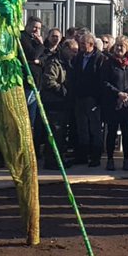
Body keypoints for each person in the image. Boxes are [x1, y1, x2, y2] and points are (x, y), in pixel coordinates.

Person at [99, 37, 128, 171]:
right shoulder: (108, 63)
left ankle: (126, 159)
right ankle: (110, 159)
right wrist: (117, 93)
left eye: (122, 46)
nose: (119, 48)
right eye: (117, 46)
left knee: (127, 132)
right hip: (113, 103)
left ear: (127, 48)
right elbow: (104, 82)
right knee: (112, 131)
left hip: (127, 104)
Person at [39, 38, 77, 168]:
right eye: (73, 51)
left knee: (60, 134)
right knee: (55, 133)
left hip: (63, 104)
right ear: (65, 49)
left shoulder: (67, 63)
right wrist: (63, 91)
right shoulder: (55, 62)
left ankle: (58, 158)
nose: (74, 54)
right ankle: (52, 161)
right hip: (54, 102)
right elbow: (48, 81)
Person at [70, 33, 104, 167]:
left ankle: (96, 156)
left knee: (95, 127)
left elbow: (101, 79)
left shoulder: (99, 58)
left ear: (91, 44)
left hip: (92, 98)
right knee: (82, 127)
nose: (81, 46)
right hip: (80, 97)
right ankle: (82, 155)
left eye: (83, 44)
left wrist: (98, 98)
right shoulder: (79, 57)